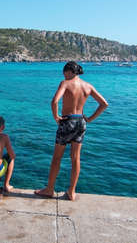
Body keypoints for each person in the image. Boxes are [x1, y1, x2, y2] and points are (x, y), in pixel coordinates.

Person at [35, 61, 108, 201]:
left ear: (69, 72)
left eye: (64, 73)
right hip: (81, 122)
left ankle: (49, 189)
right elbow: (104, 104)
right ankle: (72, 192)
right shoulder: (88, 86)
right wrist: (90, 118)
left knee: (57, 158)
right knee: (75, 158)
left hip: (67, 122)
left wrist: (56, 117)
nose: (64, 76)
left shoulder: (65, 83)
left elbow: (54, 101)